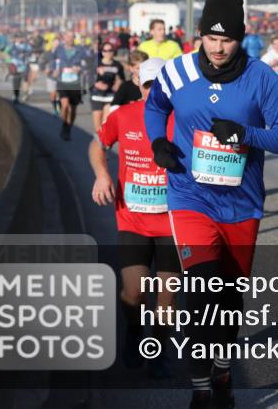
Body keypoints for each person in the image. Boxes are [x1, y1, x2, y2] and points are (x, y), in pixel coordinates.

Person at [144, 0, 278, 409]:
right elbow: (155, 105)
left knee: (229, 299)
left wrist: (247, 134)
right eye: (210, 38)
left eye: (227, 39)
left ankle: (223, 369)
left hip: (241, 205)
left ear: (241, 38)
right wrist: (158, 141)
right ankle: (198, 390)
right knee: (199, 292)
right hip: (189, 198)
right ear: (199, 36)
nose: (217, 47)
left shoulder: (261, 78)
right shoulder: (177, 71)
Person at [90, 58, 180, 379]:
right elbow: (97, 145)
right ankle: (133, 331)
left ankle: (157, 351)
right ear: (139, 86)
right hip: (133, 220)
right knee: (135, 292)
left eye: (160, 86)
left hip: (174, 223)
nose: (154, 92)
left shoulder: (184, 119)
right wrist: (102, 175)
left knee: (167, 298)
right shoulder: (124, 115)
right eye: (148, 85)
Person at [50, 31, 89, 140]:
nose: (70, 39)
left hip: (76, 83)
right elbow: (52, 59)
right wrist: (54, 70)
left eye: (72, 37)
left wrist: (80, 69)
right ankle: (64, 126)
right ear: (64, 38)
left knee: (73, 109)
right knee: (65, 105)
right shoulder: (59, 49)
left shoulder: (80, 50)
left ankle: (69, 127)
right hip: (62, 81)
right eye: (68, 37)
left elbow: (87, 63)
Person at [104, 49, 148, 124]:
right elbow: (114, 107)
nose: (142, 71)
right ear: (131, 68)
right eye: (138, 68)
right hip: (128, 125)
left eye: (145, 67)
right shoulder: (125, 86)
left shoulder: (153, 86)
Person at [91, 42, 126, 133]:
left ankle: (104, 146)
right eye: (105, 50)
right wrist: (96, 84)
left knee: (105, 124)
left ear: (113, 51)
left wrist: (118, 83)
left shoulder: (117, 65)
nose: (108, 53)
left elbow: (123, 79)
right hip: (97, 96)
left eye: (110, 50)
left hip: (110, 96)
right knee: (98, 128)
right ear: (102, 52)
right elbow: (88, 79)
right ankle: (101, 144)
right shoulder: (96, 64)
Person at [6, 35, 32, 103]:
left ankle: (26, 94)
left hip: (24, 66)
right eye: (17, 38)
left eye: (20, 38)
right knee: (16, 82)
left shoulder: (26, 46)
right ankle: (16, 95)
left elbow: (29, 52)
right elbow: (6, 51)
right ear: (15, 39)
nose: (19, 39)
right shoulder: (12, 45)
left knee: (25, 81)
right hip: (15, 67)